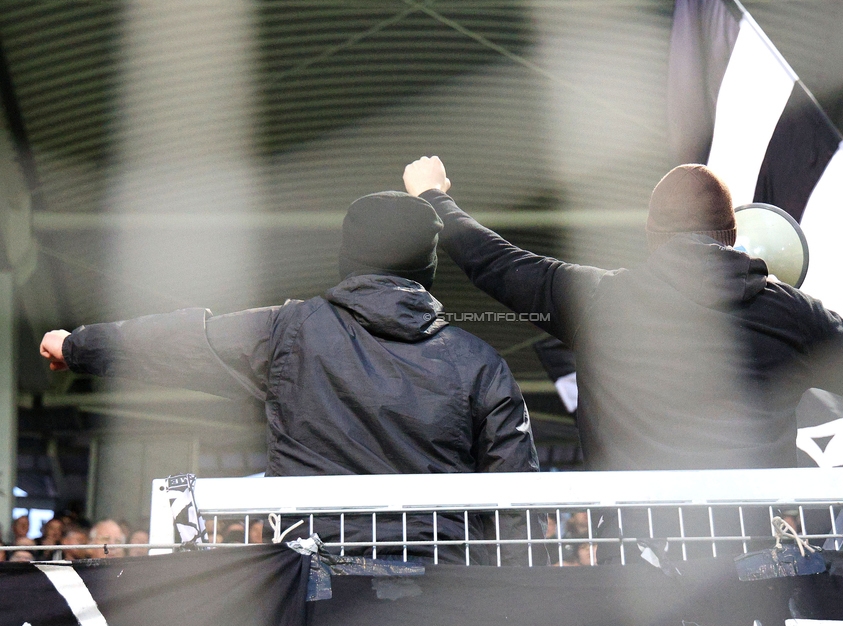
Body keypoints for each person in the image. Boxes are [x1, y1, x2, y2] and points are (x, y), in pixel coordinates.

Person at [40, 191, 540, 565]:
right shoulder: (479, 362)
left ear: (351, 255)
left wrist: (77, 346)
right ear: (427, 266)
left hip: (317, 577)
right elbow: (518, 500)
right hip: (443, 586)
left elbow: (183, 340)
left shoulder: (289, 331)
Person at [402, 157, 843, 473]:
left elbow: (494, 261)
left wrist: (433, 196)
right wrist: (807, 313)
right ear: (732, 234)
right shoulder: (789, 311)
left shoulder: (598, 301)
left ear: (651, 236)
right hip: (754, 554)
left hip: (639, 556)